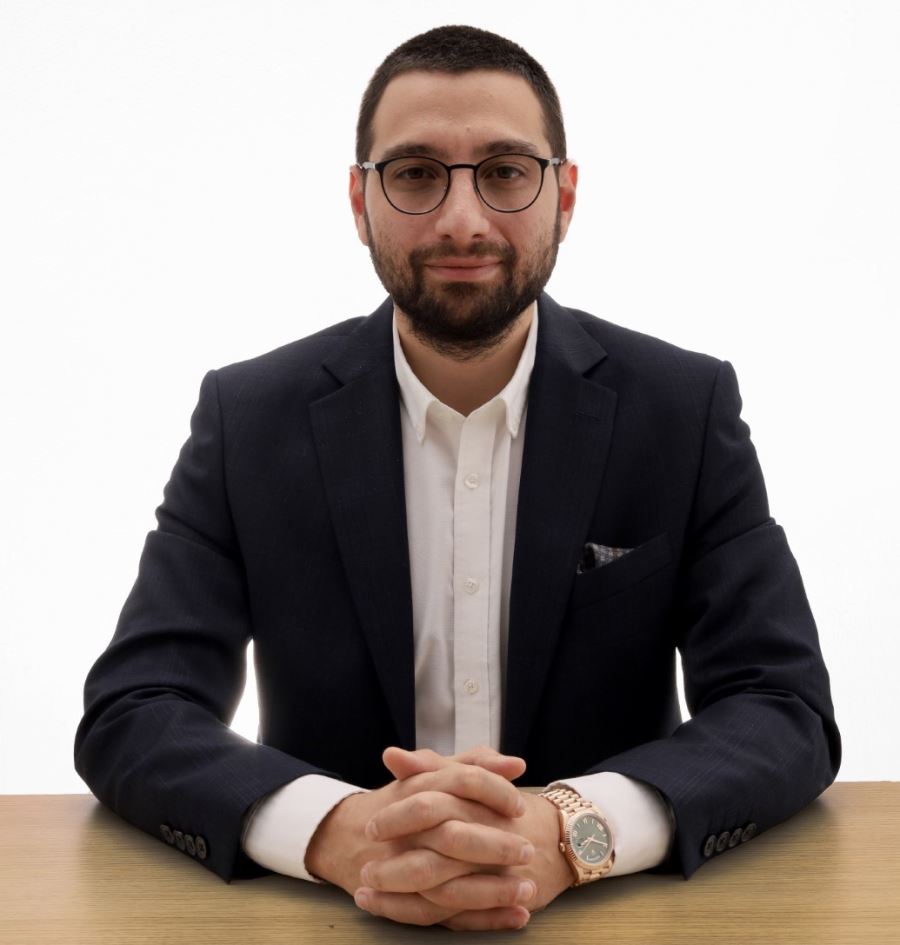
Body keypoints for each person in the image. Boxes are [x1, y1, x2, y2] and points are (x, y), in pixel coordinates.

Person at [74, 24, 841, 933]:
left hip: (612, 920)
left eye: (506, 171)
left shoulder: (682, 408)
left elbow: (782, 705)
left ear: (565, 196)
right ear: (360, 201)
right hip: (328, 923)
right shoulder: (248, 418)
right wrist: (336, 830)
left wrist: (574, 830)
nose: (463, 221)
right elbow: (135, 709)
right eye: (415, 174)